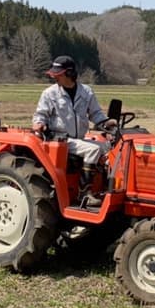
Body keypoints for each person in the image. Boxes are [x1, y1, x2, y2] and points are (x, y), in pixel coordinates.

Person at [32, 55, 114, 206]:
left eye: (58, 74)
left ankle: (106, 187)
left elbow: (95, 114)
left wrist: (107, 123)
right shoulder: (50, 94)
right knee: (92, 150)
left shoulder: (86, 92)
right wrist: (39, 124)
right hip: (61, 139)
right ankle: (85, 194)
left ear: (69, 74)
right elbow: (40, 115)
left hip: (79, 139)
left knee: (109, 148)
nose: (54, 78)